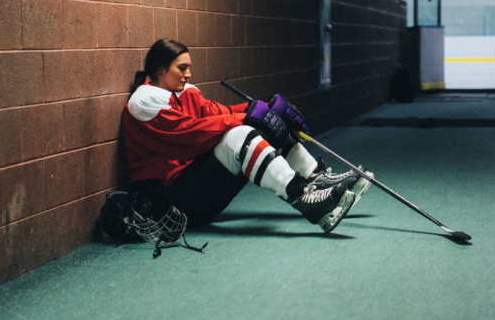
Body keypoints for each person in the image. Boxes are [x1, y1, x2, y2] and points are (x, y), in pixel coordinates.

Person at [121, 39, 369, 234]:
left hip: (193, 189)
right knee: (239, 135)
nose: (188, 74)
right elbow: (189, 136)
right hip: (169, 205)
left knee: (268, 126)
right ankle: (304, 199)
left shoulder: (184, 93)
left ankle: (317, 179)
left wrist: (265, 109)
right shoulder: (144, 102)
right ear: (160, 69)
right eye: (181, 68)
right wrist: (248, 117)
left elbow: (218, 113)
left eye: (189, 68)